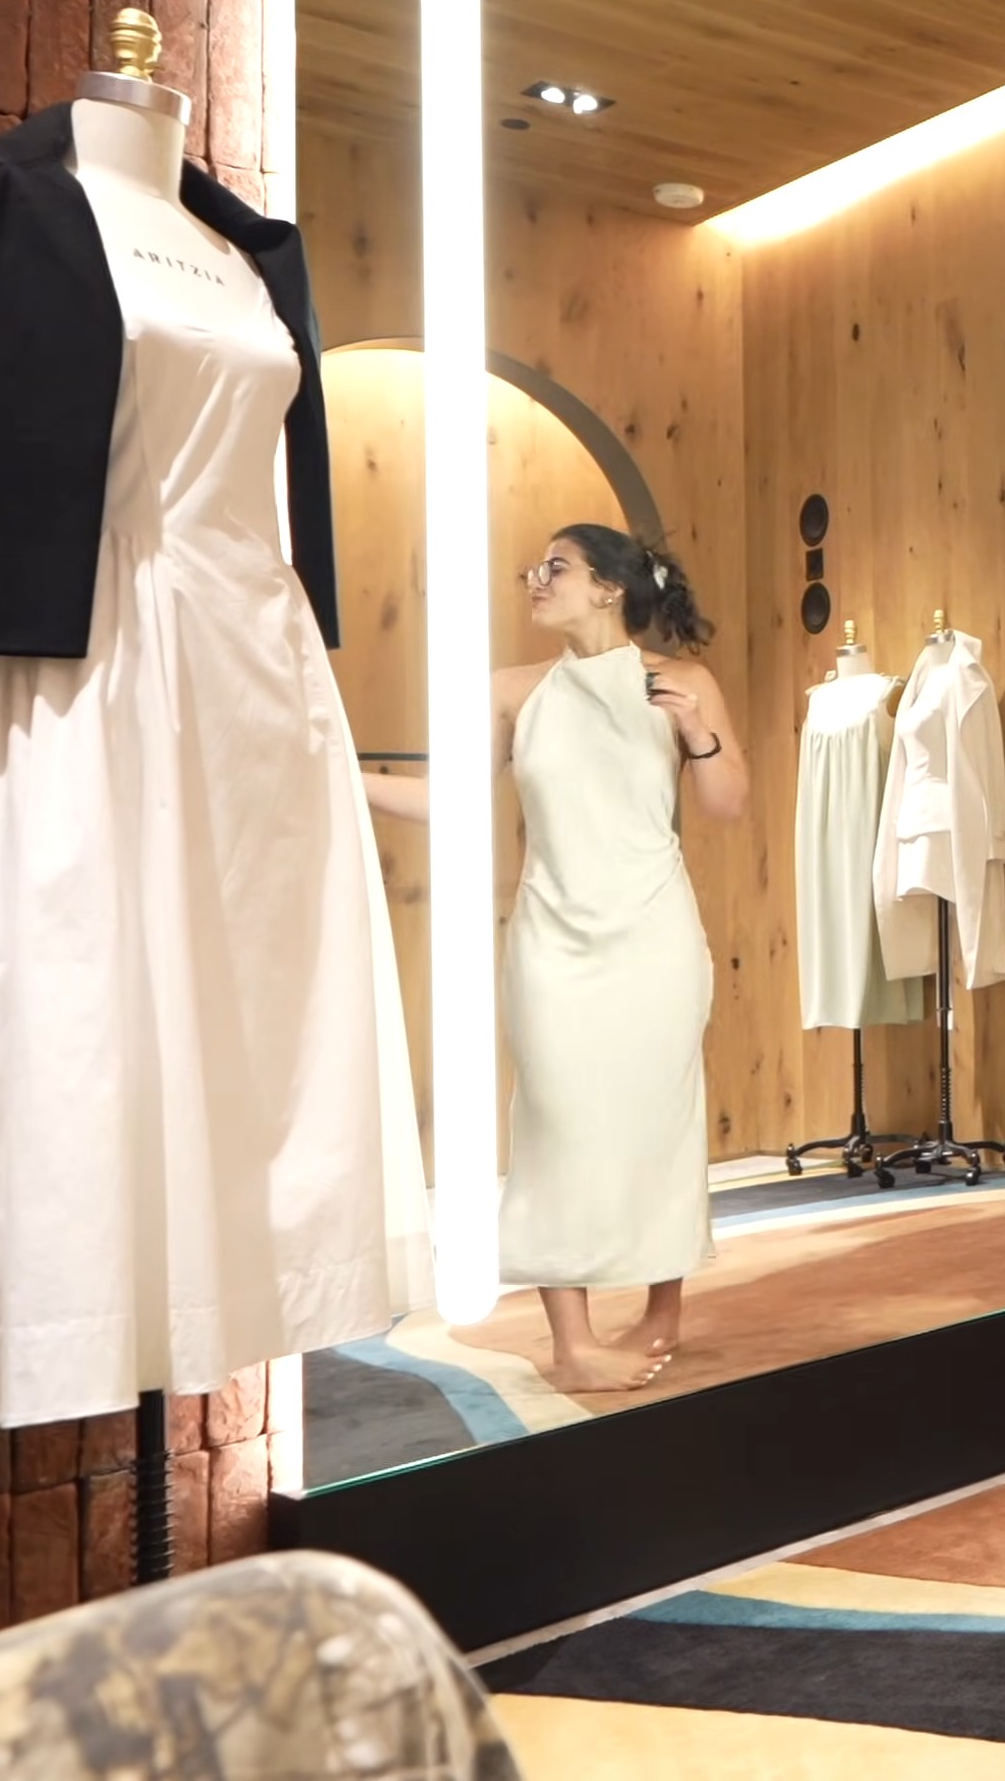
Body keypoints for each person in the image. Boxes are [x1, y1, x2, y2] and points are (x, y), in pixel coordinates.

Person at [364, 524, 747, 1393]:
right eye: (535, 568)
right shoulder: (512, 691)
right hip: (552, 944)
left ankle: (662, 1312)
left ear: (609, 587)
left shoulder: (682, 683)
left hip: (654, 938)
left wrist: (698, 733)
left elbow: (727, 803)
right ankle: (573, 1343)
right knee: (555, 1127)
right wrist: (343, 779)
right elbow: (451, 800)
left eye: (556, 568)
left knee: (660, 1121)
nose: (535, 580)